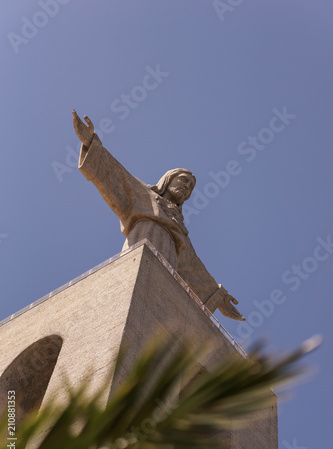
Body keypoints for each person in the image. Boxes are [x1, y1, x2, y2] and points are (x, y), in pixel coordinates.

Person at [73, 111, 244, 321]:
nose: (187, 188)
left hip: (166, 267)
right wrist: (91, 143)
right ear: (167, 181)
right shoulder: (144, 194)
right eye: (183, 181)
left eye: (190, 187)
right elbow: (116, 175)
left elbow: (192, 264)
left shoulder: (179, 227)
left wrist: (218, 297)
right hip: (139, 247)